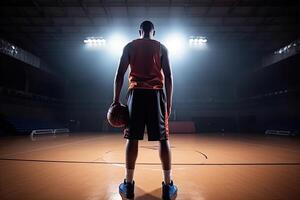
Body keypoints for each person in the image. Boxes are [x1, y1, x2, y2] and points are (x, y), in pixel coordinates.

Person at [112, 20, 177, 200]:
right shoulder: (162, 48)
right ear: (154, 32)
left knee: (132, 139)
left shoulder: (129, 46)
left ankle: (129, 183)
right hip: (156, 95)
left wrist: (116, 101)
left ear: (139, 31)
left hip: (136, 95)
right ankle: (167, 185)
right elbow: (169, 77)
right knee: (163, 139)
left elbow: (119, 75)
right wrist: (169, 103)